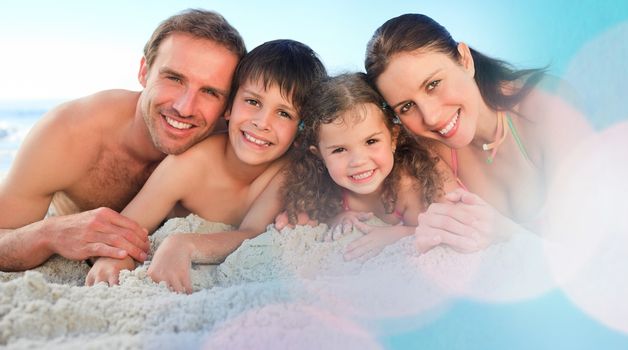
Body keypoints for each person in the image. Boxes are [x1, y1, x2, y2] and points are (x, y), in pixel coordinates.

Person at [0, 9, 245, 272]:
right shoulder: (69, 133)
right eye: (174, 78)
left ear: (228, 105)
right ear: (144, 71)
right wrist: (48, 234)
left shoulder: (238, 143)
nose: (185, 108)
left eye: (210, 92)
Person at [84, 39, 327, 293]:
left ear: (300, 130)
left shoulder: (285, 170)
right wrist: (115, 258)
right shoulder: (190, 163)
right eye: (253, 102)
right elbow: (127, 228)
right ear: (229, 107)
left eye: (284, 113)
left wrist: (184, 244)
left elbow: (253, 231)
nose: (262, 122)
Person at [364, 14, 591, 253]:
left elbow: (589, 241)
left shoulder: (548, 104)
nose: (430, 117)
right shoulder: (429, 150)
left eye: (433, 84)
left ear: (464, 60)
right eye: (407, 107)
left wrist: (503, 231)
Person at [279, 72, 457, 261]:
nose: (358, 161)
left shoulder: (409, 187)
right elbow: (307, 217)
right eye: (339, 150)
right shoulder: (323, 188)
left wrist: (397, 235)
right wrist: (336, 218)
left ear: (393, 138)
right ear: (319, 155)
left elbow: (440, 233)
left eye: (371, 141)